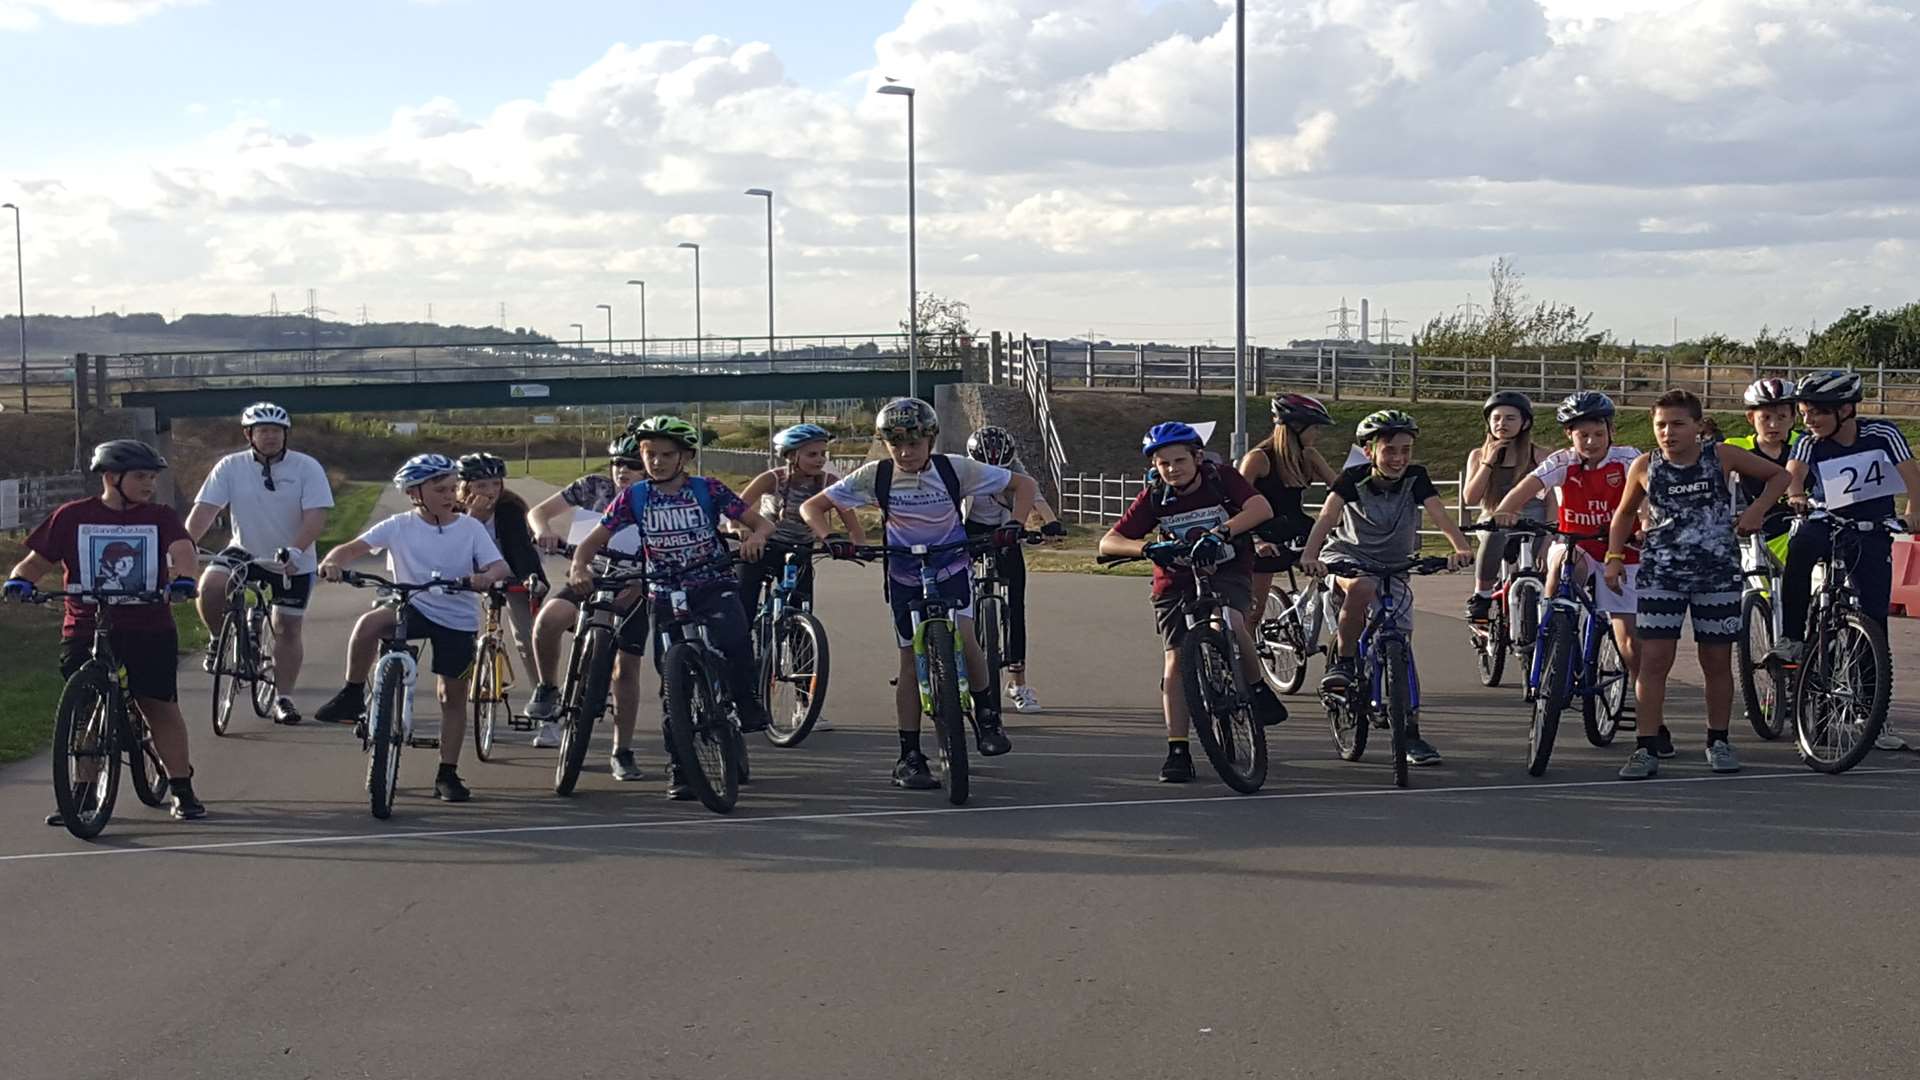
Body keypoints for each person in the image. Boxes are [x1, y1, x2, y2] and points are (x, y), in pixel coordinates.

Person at [802, 397, 1035, 790]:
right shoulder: (874, 475)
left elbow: (1023, 484)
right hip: (903, 571)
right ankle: (909, 756)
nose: (906, 453)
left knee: (965, 636)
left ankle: (988, 716)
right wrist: (832, 538)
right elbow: (813, 507)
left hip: (950, 564)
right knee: (909, 660)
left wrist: (1015, 522)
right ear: (886, 443)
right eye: (896, 445)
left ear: (931, 440)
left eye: (914, 444)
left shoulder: (954, 469)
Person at [569, 415, 776, 799]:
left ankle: (746, 704)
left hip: (712, 583)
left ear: (685, 457)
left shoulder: (707, 489)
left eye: (667, 454)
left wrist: (754, 539)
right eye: (650, 454)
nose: (657, 462)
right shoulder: (634, 496)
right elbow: (593, 540)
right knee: (671, 680)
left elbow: (759, 523)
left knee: (734, 640)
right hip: (663, 592)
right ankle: (681, 767)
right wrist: (580, 566)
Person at [7, 440, 205, 823]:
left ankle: (182, 787)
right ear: (112, 478)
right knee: (85, 708)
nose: (149, 484)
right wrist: (19, 582)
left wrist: (184, 580)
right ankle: (82, 792)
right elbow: (35, 562)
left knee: (157, 704)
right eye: (141, 476)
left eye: (152, 476)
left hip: (147, 626)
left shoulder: (161, 517)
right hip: (85, 626)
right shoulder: (71, 516)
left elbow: (184, 551)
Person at [1606, 389, 1789, 780]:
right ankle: (1646, 746)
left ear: (1697, 426)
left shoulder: (1719, 456)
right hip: (1661, 575)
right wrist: (1615, 557)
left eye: (1677, 424)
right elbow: (1622, 515)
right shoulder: (1644, 465)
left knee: (1716, 661)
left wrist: (1756, 509)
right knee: (1653, 661)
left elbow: (1780, 475)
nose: (1668, 433)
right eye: (1660, 425)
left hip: (1716, 574)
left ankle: (1718, 740)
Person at [314, 454, 510, 803]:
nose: (449, 496)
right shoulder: (399, 525)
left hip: (456, 616)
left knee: (451, 697)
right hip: (413, 605)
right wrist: (332, 561)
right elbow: (354, 548)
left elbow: (499, 566)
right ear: (414, 493)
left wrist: (485, 577)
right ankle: (352, 693)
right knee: (370, 623)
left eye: (452, 489)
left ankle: (447, 773)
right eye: (440, 489)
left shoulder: (470, 528)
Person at [1100, 421, 1286, 783]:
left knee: (1230, 621)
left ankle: (1257, 688)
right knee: (1175, 661)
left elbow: (1260, 508)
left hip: (1227, 569)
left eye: (1179, 460)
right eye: (1163, 463)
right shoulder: (1155, 496)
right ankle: (1178, 749)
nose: (1172, 469)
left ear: (1197, 457)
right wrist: (1147, 548)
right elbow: (1108, 542)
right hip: (1175, 581)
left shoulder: (1222, 478)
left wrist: (1222, 532)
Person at [1301, 410, 1474, 767]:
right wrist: (1310, 556)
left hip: (1394, 564)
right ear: (1369, 451)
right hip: (1349, 556)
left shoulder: (1416, 477)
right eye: (1390, 450)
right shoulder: (1352, 479)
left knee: (1401, 646)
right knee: (1361, 589)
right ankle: (1345, 664)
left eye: (1406, 450)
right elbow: (1327, 519)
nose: (1399, 458)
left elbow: (1439, 514)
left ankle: (1410, 731)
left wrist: (1459, 548)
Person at [1493, 391, 1656, 751]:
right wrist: (1504, 510)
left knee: (1630, 641)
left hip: (1622, 550)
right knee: (1563, 566)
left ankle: (1652, 717)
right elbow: (1527, 488)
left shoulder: (1627, 459)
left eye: (1598, 434)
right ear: (1570, 435)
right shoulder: (1562, 462)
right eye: (1583, 435)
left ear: (1610, 431)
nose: (1591, 442)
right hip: (1576, 543)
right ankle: (1554, 628)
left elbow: (1644, 500)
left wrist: (1644, 525)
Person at [1772, 369, 1920, 749]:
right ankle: (1791, 636)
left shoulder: (1882, 434)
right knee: (1802, 546)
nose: (1809, 420)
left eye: (1818, 412)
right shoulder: (1808, 443)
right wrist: (1796, 495)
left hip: (1872, 529)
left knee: (1874, 619)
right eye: (1804, 412)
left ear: (1847, 409)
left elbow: (1911, 476)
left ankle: (1872, 715)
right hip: (1827, 520)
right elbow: (1794, 475)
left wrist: (1913, 511)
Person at [184, 402, 333, 725]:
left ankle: (284, 698)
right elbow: (206, 510)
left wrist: (295, 551)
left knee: (287, 628)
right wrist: (183, 546)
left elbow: (316, 516)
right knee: (209, 588)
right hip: (245, 551)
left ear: (285, 435)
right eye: (263, 431)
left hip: (292, 558)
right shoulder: (230, 466)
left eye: (277, 431)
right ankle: (217, 640)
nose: (271, 437)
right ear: (249, 435)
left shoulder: (306, 467)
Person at [521, 439, 645, 758]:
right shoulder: (594, 487)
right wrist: (543, 530)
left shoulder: (655, 497)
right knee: (548, 620)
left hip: (636, 585)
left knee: (625, 668)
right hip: (589, 577)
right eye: (618, 464)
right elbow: (539, 511)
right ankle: (548, 687)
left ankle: (623, 750)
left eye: (633, 465)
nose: (623, 471)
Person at [962, 424, 1067, 713]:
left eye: (1002, 468)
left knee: (1015, 605)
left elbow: (1037, 499)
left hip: (1005, 531)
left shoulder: (1018, 472)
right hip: (969, 530)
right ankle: (958, 673)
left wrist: (1051, 523)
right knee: (959, 601)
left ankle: (1018, 684)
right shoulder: (961, 472)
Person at [1238, 393, 1340, 628]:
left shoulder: (1309, 455)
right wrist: (1255, 540)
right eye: (1314, 428)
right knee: (1254, 611)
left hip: (1297, 526)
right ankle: (1246, 659)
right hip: (1264, 532)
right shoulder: (1258, 459)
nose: (1317, 434)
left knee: (1342, 568)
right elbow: (1236, 503)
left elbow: (1339, 490)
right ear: (1295, 427)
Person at [455, 452, 544, 695]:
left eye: (496, 484)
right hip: (467, 576)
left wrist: (528, 578)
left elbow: (521, 549)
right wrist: (473, 518)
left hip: (511, 571)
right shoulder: (453, 511)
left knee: (526, 636)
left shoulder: (510, 508)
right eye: (481, 485)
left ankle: (543, 692)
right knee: (458, 629)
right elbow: (454, 549)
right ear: (464, 487)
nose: (491, 491)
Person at [1462, 391, 1550, 624]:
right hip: (1493, 519)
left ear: (1525, 422)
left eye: (1511, 418)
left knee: (1542, 561)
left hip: (1534, 520)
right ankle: (1482, 594)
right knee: (1495, 531)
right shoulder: (1478, 455)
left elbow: (1553, 500)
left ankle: (1540, 606)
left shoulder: (1539, 455)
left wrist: (1550, 538)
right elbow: (1471, 498)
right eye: (1497, 418)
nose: (1502, 424)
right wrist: (1488, 462)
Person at [1722, 378, 1801, 571]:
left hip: (1798, 531)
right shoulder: (1736, 447)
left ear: (1793, 417)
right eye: (1765, 418)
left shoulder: (1804, 444)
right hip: (1752, 532)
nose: (1773, 424)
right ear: (1751, 418)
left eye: (1782, 417)